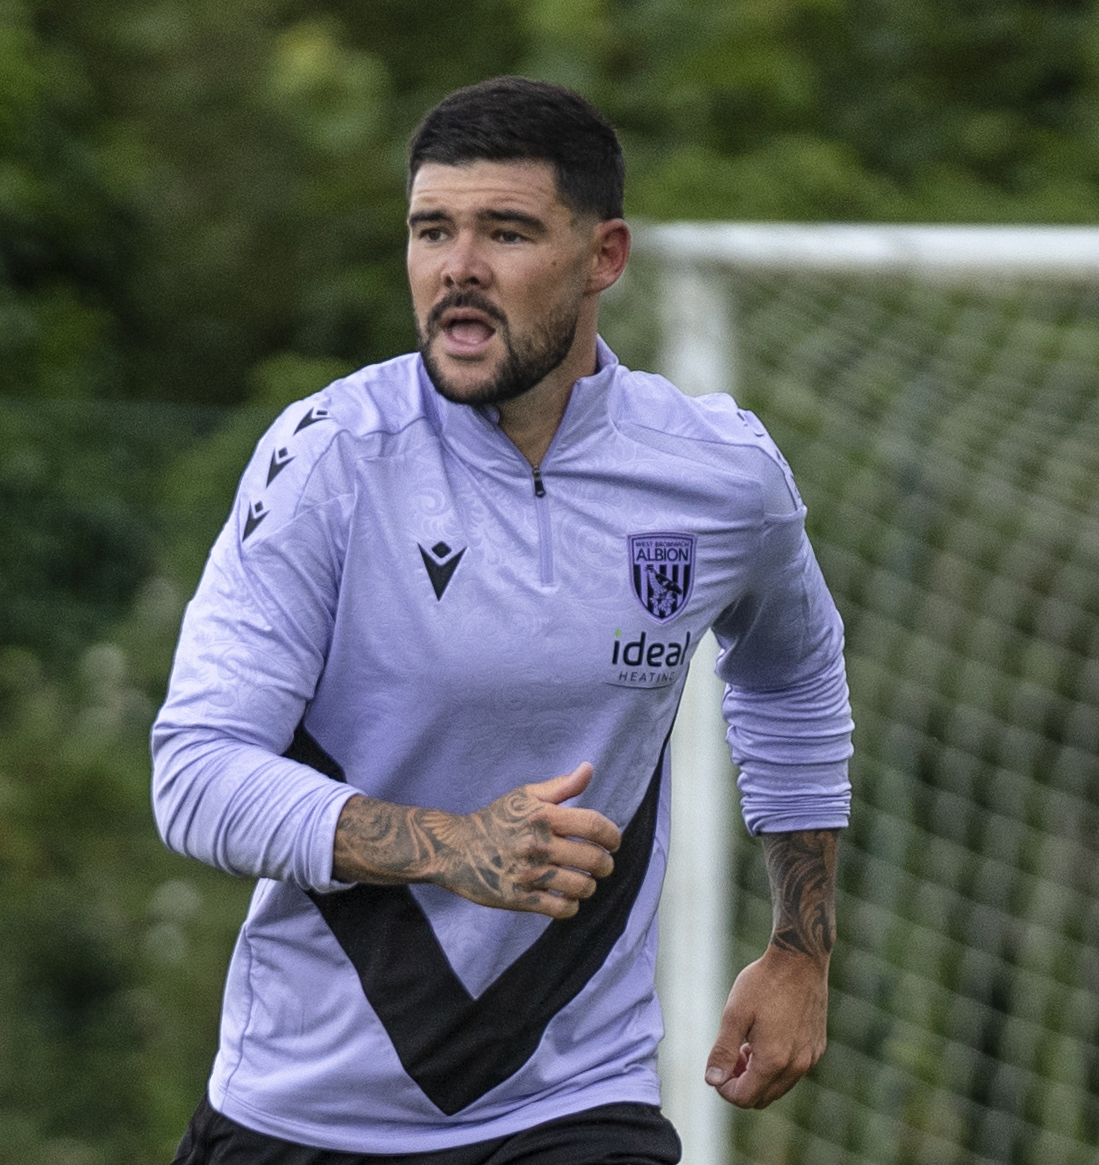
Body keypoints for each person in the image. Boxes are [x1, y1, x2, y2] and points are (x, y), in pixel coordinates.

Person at [151, 76, 853, 1164]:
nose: (457, 269)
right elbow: (195, 772)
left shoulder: (718, 476)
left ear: (603, 256)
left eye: (507, 232)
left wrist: (800, 949)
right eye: (432, 230)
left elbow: (793, 677)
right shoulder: (329, 458)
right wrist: (449, 846)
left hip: (574, 1100)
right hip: (304, 1112)